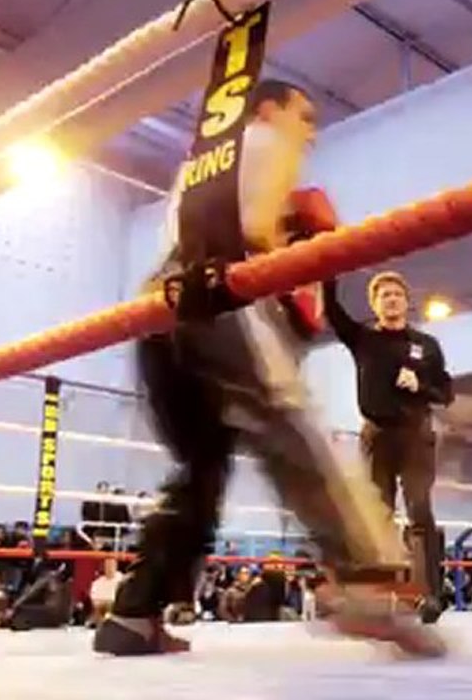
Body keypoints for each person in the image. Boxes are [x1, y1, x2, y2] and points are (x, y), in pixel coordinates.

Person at [93, 79, 443, 658]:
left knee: (201, 470)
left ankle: (133, 613)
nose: (308, 131)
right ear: (267, 108)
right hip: (218, 294)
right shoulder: (261, 139)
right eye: (302, 116)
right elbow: (254, 233)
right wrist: (300, 234)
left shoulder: (205, 162)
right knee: (289, 419)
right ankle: (362, 583)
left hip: (161, 307)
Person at [323, 269, 454, 623]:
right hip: (376, 434)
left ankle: (430, 596)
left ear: (406, 301)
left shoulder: (427, 345)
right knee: (376, 514)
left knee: (419, 509)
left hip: (415, 434)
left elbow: (447, 392)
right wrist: (325, 267)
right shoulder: (363, 339)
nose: (391, 299)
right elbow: (331, 311)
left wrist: (421, 386)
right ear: (374, 304)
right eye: (384, 295)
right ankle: (379, 596)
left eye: (397, 293)